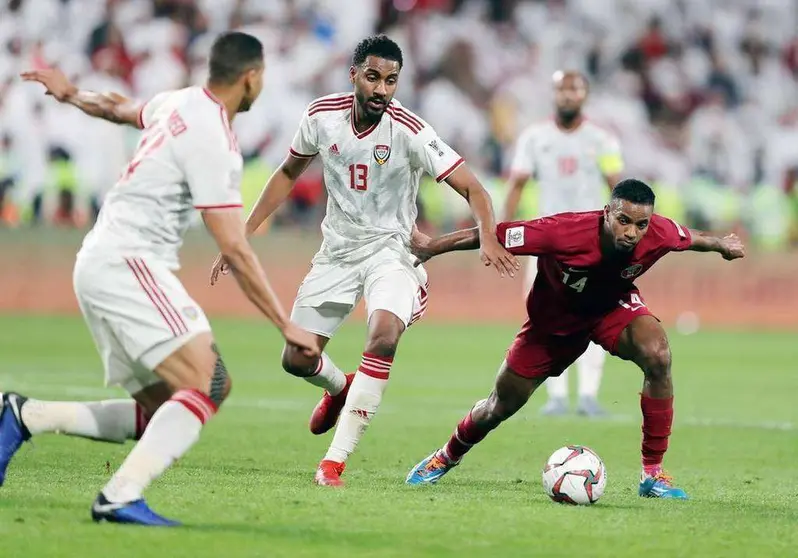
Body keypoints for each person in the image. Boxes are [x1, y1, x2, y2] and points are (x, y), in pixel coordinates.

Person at [1, 32, 319, 526]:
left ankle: (25, 416)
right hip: (130, 263)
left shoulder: (181, 101)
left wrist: (70, 94)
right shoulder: (214, 138)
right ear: (252, 77)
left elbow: (117, 107)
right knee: (207, 383)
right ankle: (120, 494)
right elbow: (233, 245)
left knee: (165, 408)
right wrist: (286, 326)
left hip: (102, 261)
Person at [209, 35, 518, 487]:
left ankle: (334, 462)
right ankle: (340, 386)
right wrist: (245, 231)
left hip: (392, 252)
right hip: (336, 252)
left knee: (384, 335)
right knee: (296, 358)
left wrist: (487, 236)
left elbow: (475, 188)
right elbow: (289, 172)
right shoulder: (321, 117)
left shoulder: (410, 130)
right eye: (373, 77)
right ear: (354, 74)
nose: (381, 89)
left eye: (391, 81)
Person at [405, 179, 745, 498]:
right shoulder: (564, 231)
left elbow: (690, 237)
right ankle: (446, 455)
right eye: (624, 220)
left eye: (641, 225)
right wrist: (433, 247)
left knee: (658, 354)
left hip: (610, 310)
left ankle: (652, 474)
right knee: (499, 406)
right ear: (607, 212)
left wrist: (721, 244)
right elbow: (493, 235)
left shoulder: (659, 232)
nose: (632, 233)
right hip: (552, 327)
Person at [503, 70, 624, 417]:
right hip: (547, 243)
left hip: (593, 243)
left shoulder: (602, 140)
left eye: (575, 89)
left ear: (585, 95)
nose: (568, 96)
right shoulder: (534, 137)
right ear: (554, 94)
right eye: (562, 90)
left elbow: (618, 188)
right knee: (542, 315)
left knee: (596, 315)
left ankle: (587, 394)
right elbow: (516, 185)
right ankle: (555, 395)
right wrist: (501, 232)